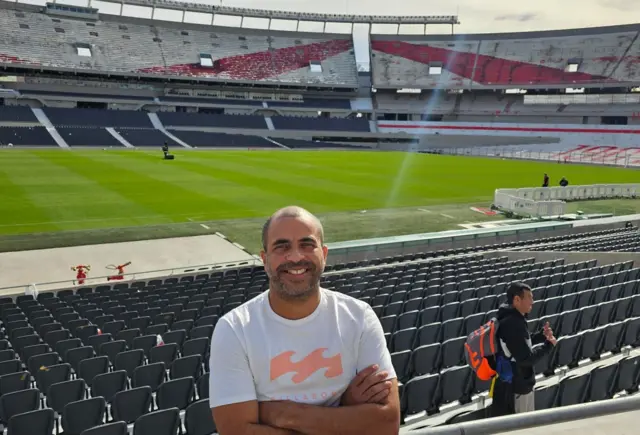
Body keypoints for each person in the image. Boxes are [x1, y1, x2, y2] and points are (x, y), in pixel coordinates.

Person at [209, 206, 400, 435]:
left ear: (324, 254)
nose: (296, 257)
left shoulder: (359, 317)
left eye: (306, 245)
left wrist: (285, 415)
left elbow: (387, 425)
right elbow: (236, 431)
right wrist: (346, 407)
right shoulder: (234, 329)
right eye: (282, 247)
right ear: (264, 259)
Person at [489, 282, 556, 417]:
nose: (532, 301)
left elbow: (520, 343)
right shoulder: (512, 323)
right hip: (516, 388)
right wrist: (549, 346)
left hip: (517, 384)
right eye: (529, 297)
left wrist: (541, 336)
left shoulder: (514, 318)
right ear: (517, 300)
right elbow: (526, 359)